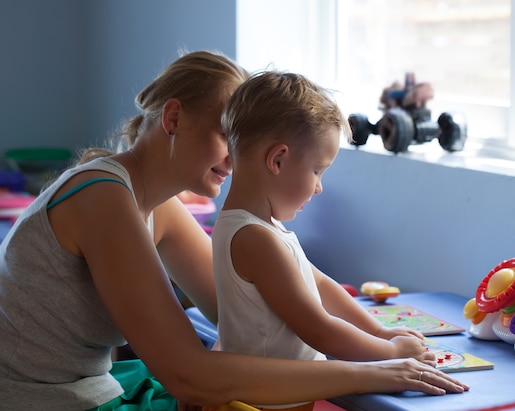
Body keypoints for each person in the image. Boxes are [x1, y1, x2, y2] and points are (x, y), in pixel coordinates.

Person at [0, 50, 468, 411]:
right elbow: (189, 375)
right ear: (174, 118)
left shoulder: (156, 208)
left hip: (88, 388)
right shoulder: (103, 197)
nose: (236, 156)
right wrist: (373, 372)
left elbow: (237, 310)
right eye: (228, 134)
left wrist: (381, 339)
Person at [213, 71, 468, 410]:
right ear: (277, 160)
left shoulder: (259, 227)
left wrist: (380, 333)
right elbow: (318, 329)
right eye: (317, 171)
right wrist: (390, 352)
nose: (319, 187)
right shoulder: (255, 238)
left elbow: (321, 286)